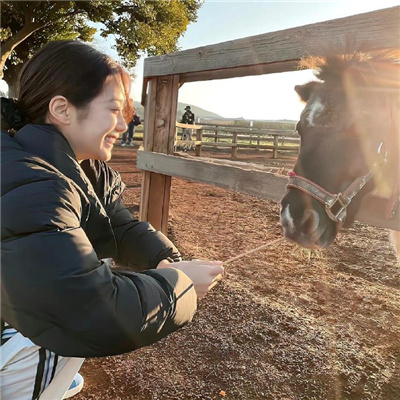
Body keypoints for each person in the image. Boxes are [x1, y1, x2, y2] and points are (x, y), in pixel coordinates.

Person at [0, 40, 224, 400]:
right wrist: (177, 285)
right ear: (62, 109)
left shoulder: (80, 168)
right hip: (24, 325)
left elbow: (117, 225)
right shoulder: (35, 186)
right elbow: (86, 310)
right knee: (58, 318)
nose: (125, 124)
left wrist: (166, 259)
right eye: (114, 110)